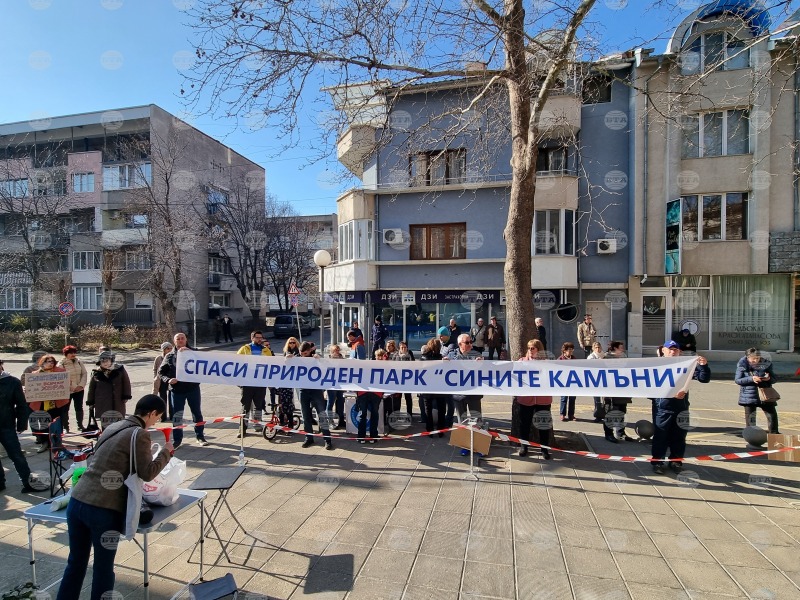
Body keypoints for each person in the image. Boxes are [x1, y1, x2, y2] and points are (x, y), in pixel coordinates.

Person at [55, 394, 173, 600]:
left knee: (76, 562)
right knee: (103, 568)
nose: (157, 421)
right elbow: (147, 473)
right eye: (158, 417)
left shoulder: (113, 426)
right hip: (103, 509)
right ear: (152, 413)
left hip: (78, 500)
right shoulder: (139, 434)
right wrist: (166, 453)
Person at [651, 341, 710, 474]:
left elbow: (703, 378)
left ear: (680, 352)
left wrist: (704, 366)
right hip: (663, 408)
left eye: (675, 349)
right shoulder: (656, 365)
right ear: (663, 350)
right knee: (660, 437)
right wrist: (667, 394)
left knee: (679, 437)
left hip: (681, 407)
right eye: (670, 349)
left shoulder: (685, 365)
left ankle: (676, 461)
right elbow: (647, 386)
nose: (673, 352)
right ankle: (658, 462)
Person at [159, 332, 208, 448]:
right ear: (174, 341)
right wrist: (168, 380)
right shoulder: (169, 356)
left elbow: (204, 364)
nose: (180, 340)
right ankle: (177, 440)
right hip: (176, 390)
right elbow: (161, 372)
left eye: (182, 338)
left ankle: (200, 436)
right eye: (178, 339)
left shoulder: (194, 352)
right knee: (177, 415)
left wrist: (191, 353)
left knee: (197, 413)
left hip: (192, 388)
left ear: (186, 340)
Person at [0, 360, 39, 493]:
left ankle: (28, 483)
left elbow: (21, 405)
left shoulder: (12, 382)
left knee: (16, 455)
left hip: (6, 426)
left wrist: (21, 424)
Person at [512, 339, 553, 459]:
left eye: (532, 348)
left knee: (543, 424)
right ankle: (524, 446)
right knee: (524, 424)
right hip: (526, 398)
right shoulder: (522, 362)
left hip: (543, 399)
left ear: (538, 350)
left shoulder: (547, 363)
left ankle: (544, 449)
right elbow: (511, 372)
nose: (530, 350)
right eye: (529, 348)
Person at [28, 354, 70, 453]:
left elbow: (68, 383)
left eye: (52, 361)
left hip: (56, 404)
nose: (51, 363)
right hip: (41, 404)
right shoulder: (35, 374)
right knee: (44, 424)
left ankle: (57, 443)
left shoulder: (61, 372)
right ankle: (45, 443)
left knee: (56, 424)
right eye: (48, 361)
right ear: (42, 363)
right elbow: (31, 387)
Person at [297, 341, 333, 450]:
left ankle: (327, 439)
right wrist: (287, 358)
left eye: (305, 353)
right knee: (305, 416)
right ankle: (309, 438)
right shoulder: (297, 358)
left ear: (310, 351)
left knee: (322, 414)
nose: (303, 356)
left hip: (316, 390)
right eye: (301, 353)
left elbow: (328, 368)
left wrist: (320, 360)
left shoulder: (316, 358)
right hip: (303, 390)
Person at [236, 331, 273, 436]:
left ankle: (257, 426)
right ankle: (242, 429)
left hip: (260, 383)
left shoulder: (266, 350)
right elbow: (236, 362)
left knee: (258, 406)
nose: (260, 339)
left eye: (261, 337)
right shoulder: (244, 349)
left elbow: (271, 364)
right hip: (247, 383)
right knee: (245, 407)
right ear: (252, 338)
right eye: (257, 337)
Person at [735, 347, 779, 434]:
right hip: (749, 394)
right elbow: (738, 380)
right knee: (750, 417)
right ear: (748, 357)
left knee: (771, 414)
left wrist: (768, 379)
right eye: (753, 359)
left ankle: (774, 434)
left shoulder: (766, 364)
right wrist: (751, 378)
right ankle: (751, 435)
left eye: (758, 358)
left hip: (765, 393)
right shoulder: (742, 365)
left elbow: (774, 379)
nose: (756, 360)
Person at [444, 333, 484, 421]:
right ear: (459, 344)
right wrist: (444, 363)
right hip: (459, 395)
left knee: (477, 421)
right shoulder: (451, 355)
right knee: (462, 422)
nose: (470, 344)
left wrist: (482, 364)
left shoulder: (477, 354)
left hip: (474, 393)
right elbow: (444, 371)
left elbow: (484, 371)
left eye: (471, 342)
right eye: (467, 342)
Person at [87, 351, 132, 429]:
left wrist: (126, 396)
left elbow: (126, 383)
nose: (105, 363)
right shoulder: (96, 372)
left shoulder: (119, 370)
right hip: (102, 403)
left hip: (117, 401)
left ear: (111, 360)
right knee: (105, 425)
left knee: (118, 425)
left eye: (107, 361)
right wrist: (90, 402)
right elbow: (91, 388)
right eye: (102, 361)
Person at [602, 341, 633, 443]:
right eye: (621, 347)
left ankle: (621, 432)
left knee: (622, 412)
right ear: (615, 348)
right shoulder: (606, 358)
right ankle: (609, 434)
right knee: (610, 412)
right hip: (610, 391)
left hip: (622, 391)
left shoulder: (624, 357)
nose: (623, 349)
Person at [419, 338, 448, 436]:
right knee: (441, 409)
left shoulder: (423, 358)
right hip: (440, 387)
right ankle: (440, 430)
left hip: (427, 387)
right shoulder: (442, 359)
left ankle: (429, 429)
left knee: (428, 409)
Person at [58, 345, 88, 432]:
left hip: (79, 389)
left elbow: (84, 373)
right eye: (71, 353)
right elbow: (62, 377)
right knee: (65, 409)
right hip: (68, 390)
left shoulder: (79, 362)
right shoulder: (61, 364)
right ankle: (66, 427)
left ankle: (80, 425)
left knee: (79, 407)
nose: (73, 354)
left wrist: (81, 385)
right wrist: (73, 387)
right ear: (66, 354)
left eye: (74, 353)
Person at [276, 338, 300, 430]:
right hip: (284, 380)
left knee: (288, 403)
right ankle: (282, 422)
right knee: (281, 403)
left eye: (294, 342)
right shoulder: (285, 352)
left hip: (293, 379)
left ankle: (290, 424)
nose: (292, 344)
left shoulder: (298, 352)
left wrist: (294, 357)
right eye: (290, 343)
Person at [392, 340, 416, 418]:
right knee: (397, 399)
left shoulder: (410, 354)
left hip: (407, 380)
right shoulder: (396, 355)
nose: (404, 349)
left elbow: (414, 365)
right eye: (402, 347)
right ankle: (396, 415)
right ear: (399, 348)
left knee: (408, 398)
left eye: (405, 347)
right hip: (398, 380)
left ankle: (409, 415)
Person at [152, 342, 173, 422]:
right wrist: (155, 377)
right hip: (161, 380)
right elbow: (155, 369)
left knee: (172, 399)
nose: (170, 350)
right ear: (163, 350)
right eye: (168, 348)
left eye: (171, 348)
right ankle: (163, 417)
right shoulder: (159, 358)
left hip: (170, 380)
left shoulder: (173, 357)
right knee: (162, 399)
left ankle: (172, 415)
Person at [326, 344, 345, 429]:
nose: (336, 352)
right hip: (331, 384)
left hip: (340, 383)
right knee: (331, 401)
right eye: (334, 350)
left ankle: (341, 420)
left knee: (341, 401)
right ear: (331, 351)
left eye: (338, 350)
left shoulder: (342, 359)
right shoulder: (328, 360)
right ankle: (330, 421)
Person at [587, 341, 606, 422]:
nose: (598, 349)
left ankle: (605, 414)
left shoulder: (604, 355)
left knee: (605, 399)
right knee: (597, 399)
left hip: (604, 379)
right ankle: (598, 415)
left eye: (599, 347)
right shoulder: (591, 357)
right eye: (596, 347)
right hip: (595, 380)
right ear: (593, 349)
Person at [557, 342, 576, 421]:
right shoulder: (560, 359)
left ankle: (571, 414)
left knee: (572, 399)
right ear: (564, 350)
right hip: (564, 382)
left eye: (572, 349)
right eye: (569, 349)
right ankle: (562, 414)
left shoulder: (574, 359)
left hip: (573, 381)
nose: (571, 351)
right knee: (564, 398)